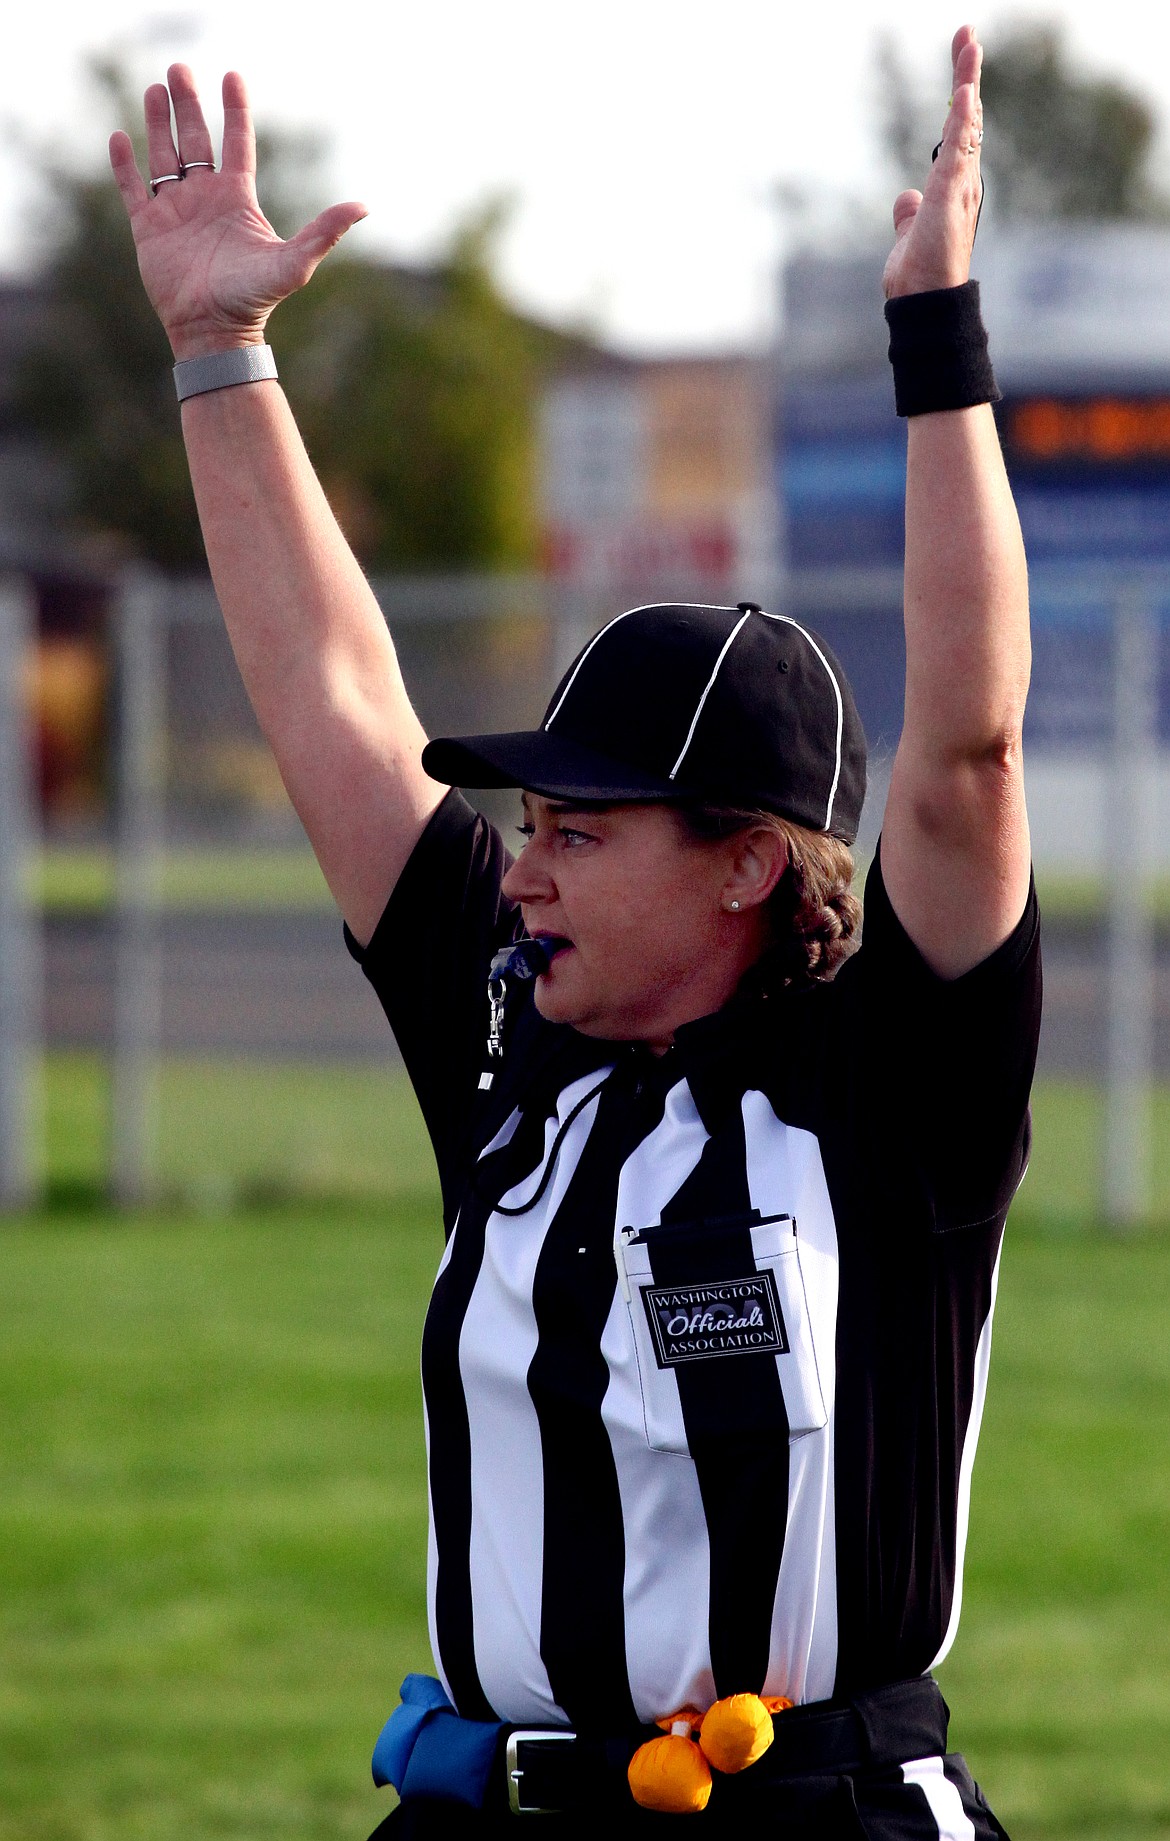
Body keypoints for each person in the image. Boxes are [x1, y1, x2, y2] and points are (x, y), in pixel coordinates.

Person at [111, 23, 1039, 1839]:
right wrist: (222, 354)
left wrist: (936, 340)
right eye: (527, 827)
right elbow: (341, 711)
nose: (518, 871)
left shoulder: (883, 1082)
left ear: (746, 864)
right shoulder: (515, 1031)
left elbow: (966, 755)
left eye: (578, 830)